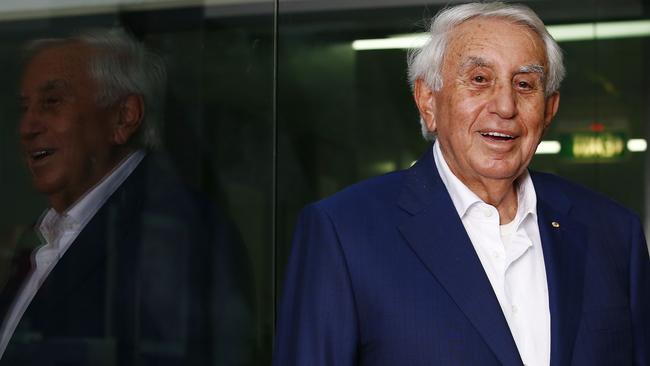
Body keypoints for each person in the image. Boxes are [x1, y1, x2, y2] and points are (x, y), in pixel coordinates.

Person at [273, 2, 650, 365]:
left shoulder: (614, 233)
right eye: (479, 79)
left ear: (549, 109)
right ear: (427, 101)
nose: (504, 106)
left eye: (524, 84)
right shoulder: (344, 232)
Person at [1, 28, 254, 365]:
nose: (27, 126)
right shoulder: (42, 237)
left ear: (124, 117)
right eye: (25, 106)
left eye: (52, 102)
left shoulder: (175, 231)